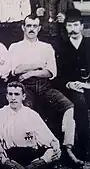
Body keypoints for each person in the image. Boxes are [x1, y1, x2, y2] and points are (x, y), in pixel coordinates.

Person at [8, 14, 80, 165]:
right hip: (25, 87)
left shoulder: (47, 47)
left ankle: (68, 147)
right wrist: (38, 65)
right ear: (23, 27)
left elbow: (51, 72)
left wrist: (30, 72)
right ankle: (28, 152)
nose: (32, 29)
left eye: (35, 26)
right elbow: (16, 70)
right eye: (29, 26)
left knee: (69, 107)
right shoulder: (15, 47)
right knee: (25, 112)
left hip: (45, 85)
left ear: (39, 28)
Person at [0, 81, 61, 169]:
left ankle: (34, 166)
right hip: (10, 155)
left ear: (23, 96)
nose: (13, 98)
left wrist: (55, 146)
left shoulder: (32, 114)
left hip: (31, 155)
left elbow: (48, 138)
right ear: (7, 96)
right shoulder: (0, 113)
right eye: (10, 94)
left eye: (16, 94)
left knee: (52, 151)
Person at [56, 9, 90, 165]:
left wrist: (85, 84)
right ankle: (83, 151)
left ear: (82, 26)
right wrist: (69, 84)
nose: (73, 29)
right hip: (70, 89)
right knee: (80, 104)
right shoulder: (61, 47)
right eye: (69, 25)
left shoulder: (89, 44)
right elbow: (58, 74)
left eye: (76, 25)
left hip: (87, 85)